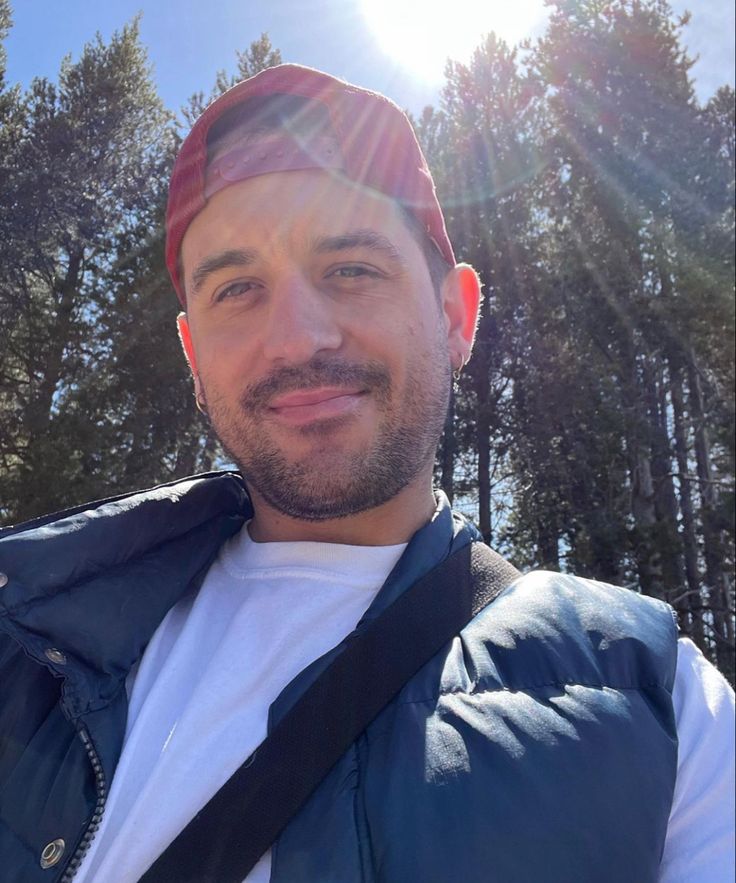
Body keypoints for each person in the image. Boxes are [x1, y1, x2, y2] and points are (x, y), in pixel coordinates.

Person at [0, 64, 733, 883]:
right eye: (238, 288)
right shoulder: (27, 644)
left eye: (351, 268)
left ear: (456, 315)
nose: (297, 339)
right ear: (193, 357)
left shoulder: (653, 696)